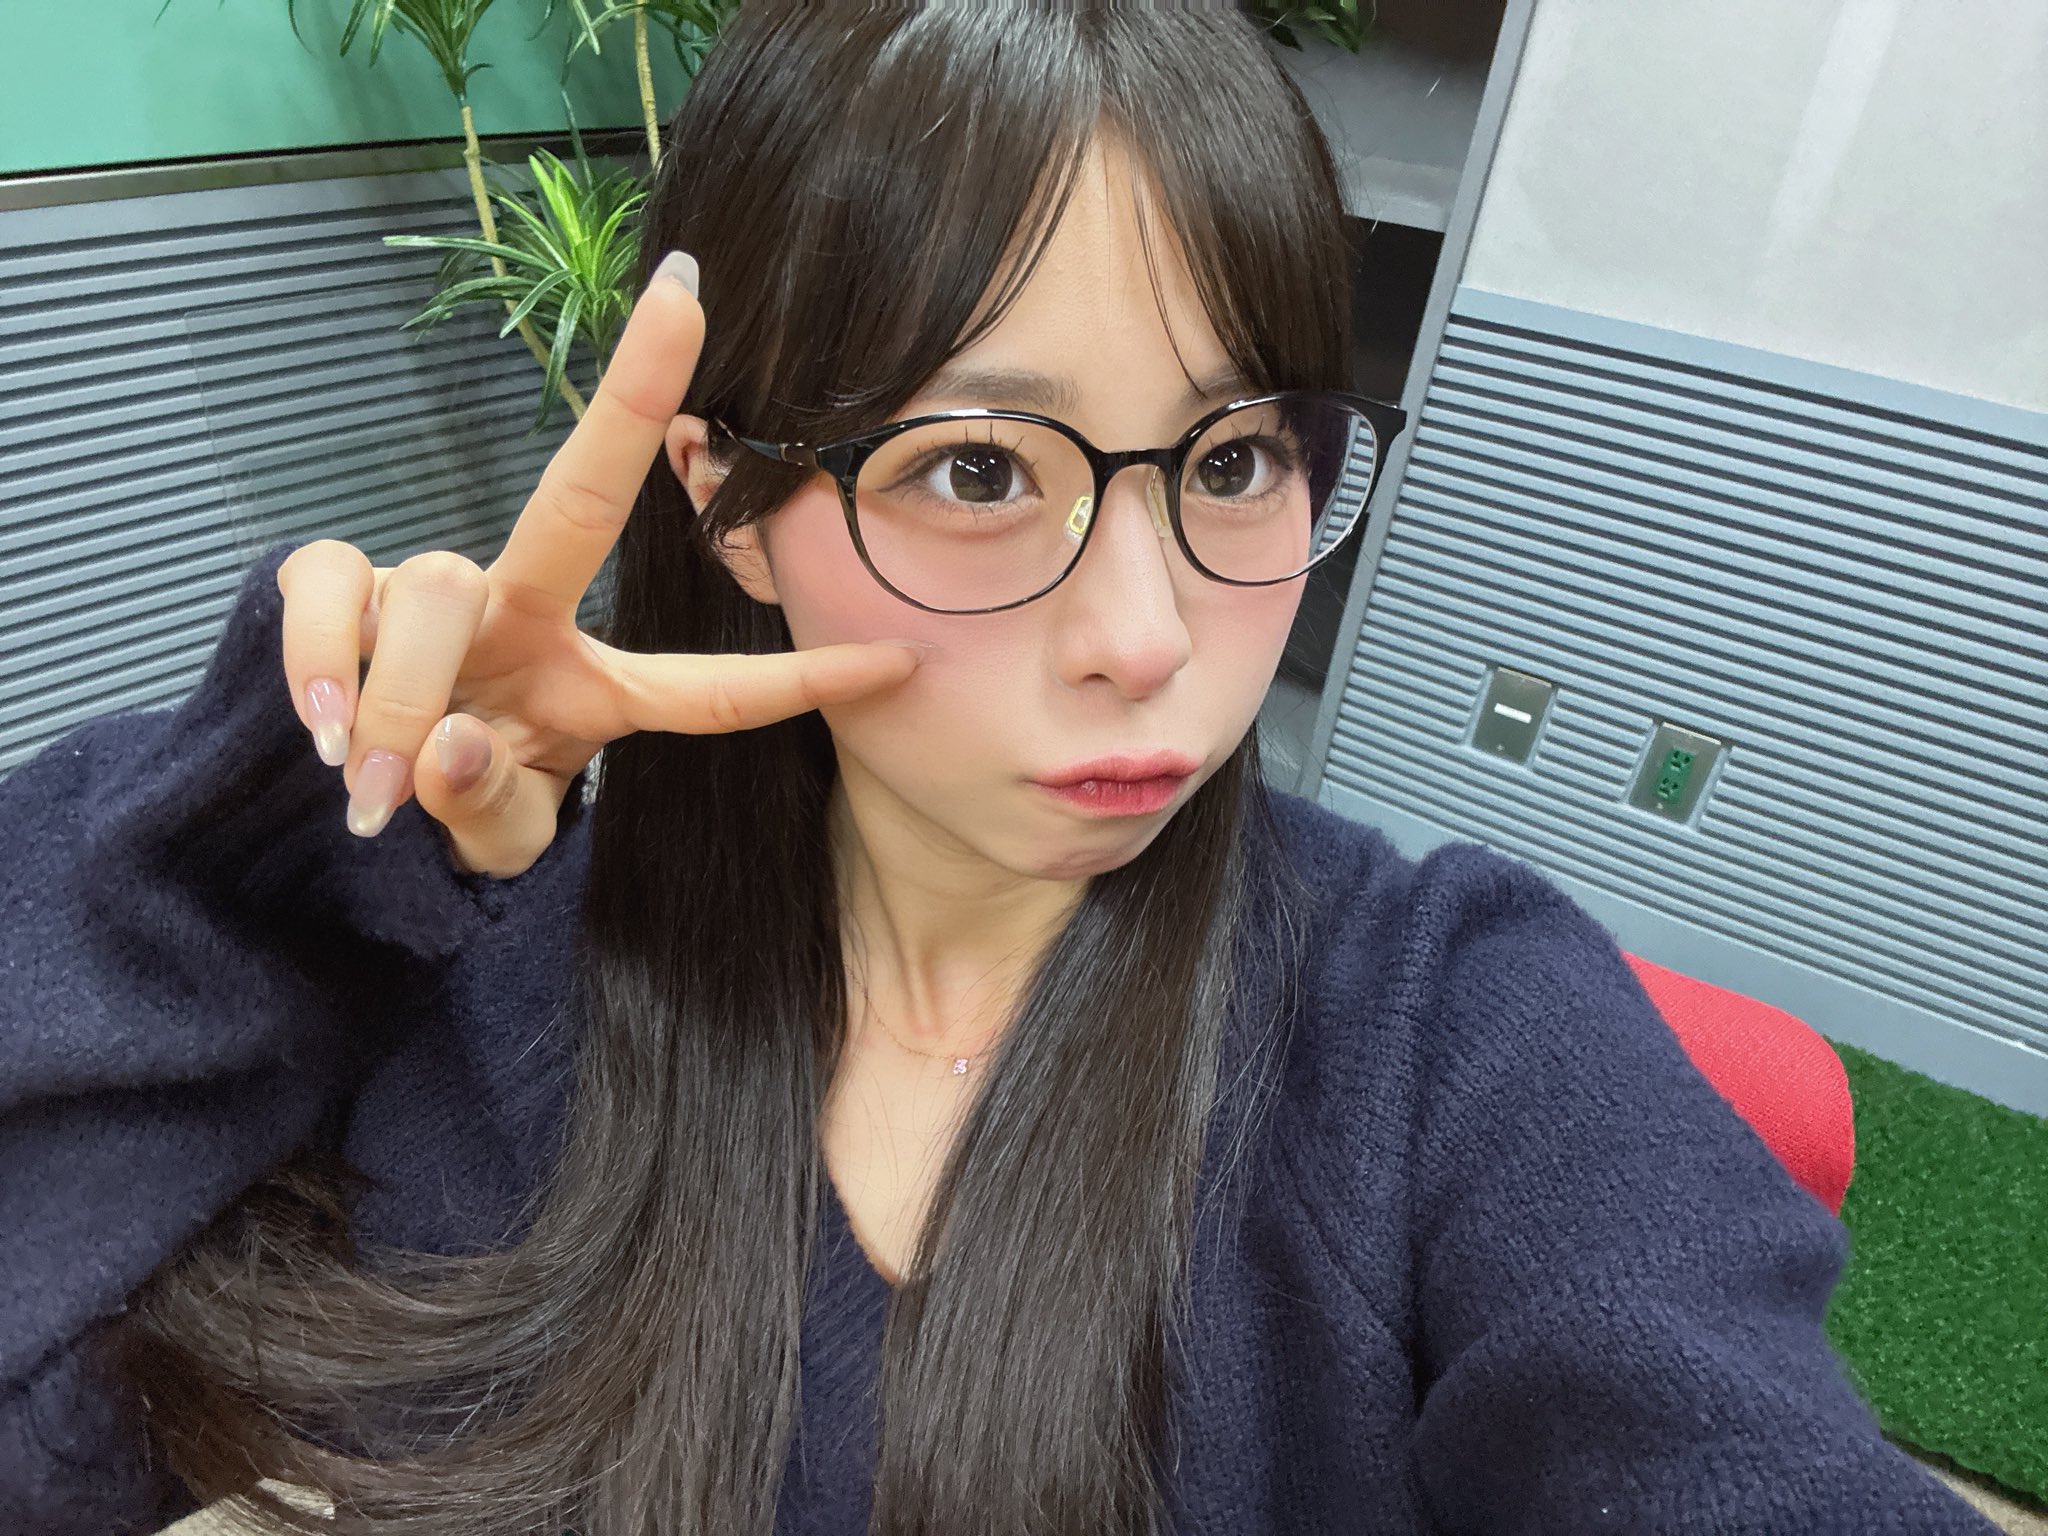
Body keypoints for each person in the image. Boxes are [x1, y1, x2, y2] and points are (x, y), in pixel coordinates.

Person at [0, 6, 2002, 1535]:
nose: (1147, 632)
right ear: (727, 503)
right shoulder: (484, 995)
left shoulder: (1449, 1031)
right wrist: (275, 846)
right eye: (976, 470)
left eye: (1235, 460)